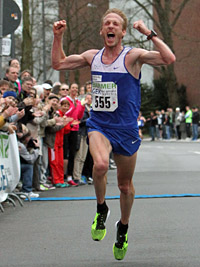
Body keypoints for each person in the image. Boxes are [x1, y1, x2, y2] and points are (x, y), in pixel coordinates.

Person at [52, 8, 176, 260]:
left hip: (126, 129)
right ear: (102, 31)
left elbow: (168, 58)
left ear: (121, 31)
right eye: (106, 23)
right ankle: (101, 209)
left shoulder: (133, 57)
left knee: (124, 185)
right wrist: (58, 37)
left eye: (115, 24)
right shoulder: (92, 56)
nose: (110, 26)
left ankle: (123, 227)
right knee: (99, 164)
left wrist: (149, 34)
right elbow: (58, 63)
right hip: (100, 124)